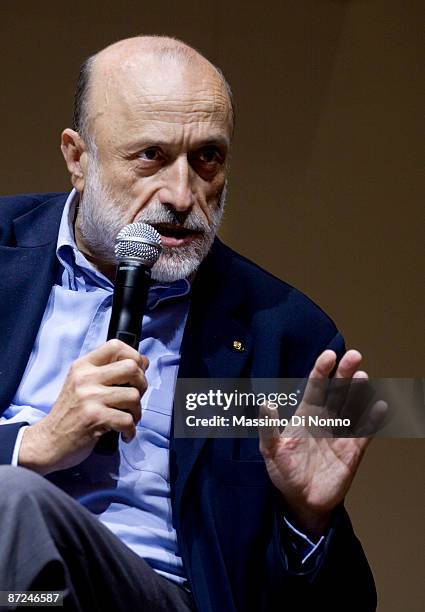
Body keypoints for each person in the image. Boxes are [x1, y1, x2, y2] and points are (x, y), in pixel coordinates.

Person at [0, 36, 377, 611]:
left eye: (207, 158)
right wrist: (30, 445)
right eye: (150, 156)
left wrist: (309, 520)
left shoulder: (286, 334)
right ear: (78, 158)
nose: (181, 195)